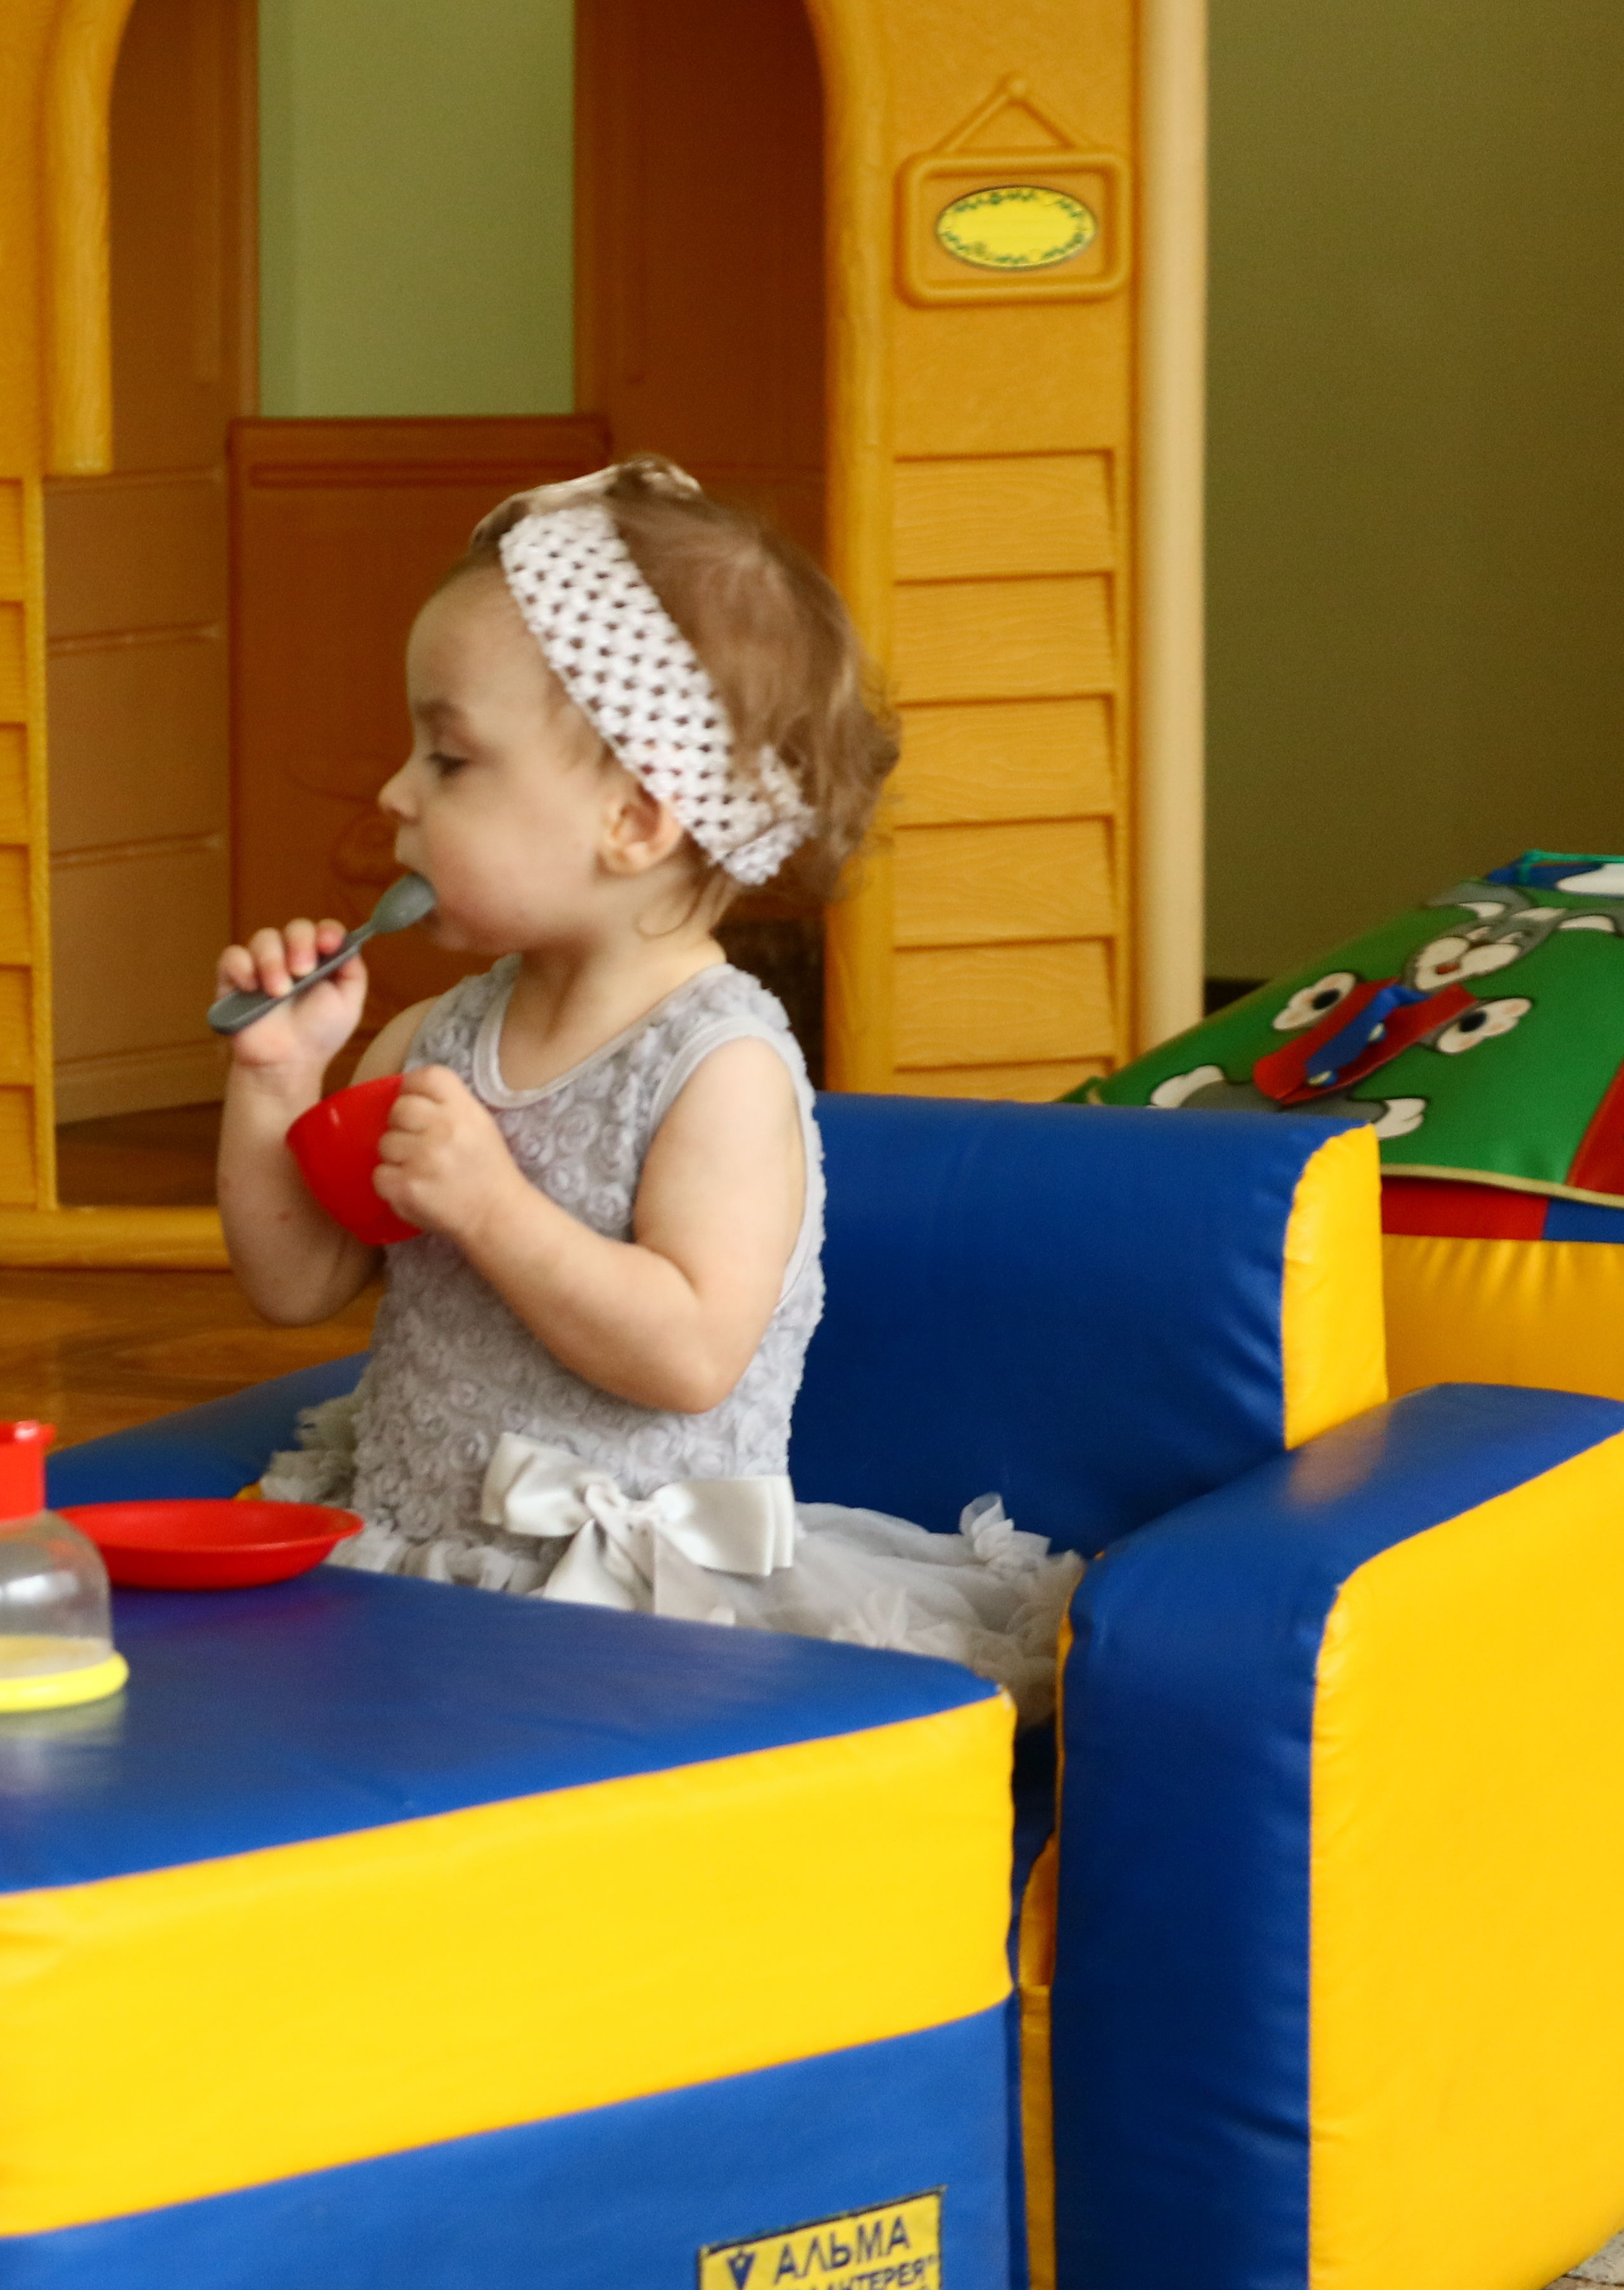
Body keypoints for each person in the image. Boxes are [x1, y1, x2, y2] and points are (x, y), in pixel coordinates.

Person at [212, 456, 1080, 1712]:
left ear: (634, 817)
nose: (395, 791)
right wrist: (276, 1080)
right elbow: (294, 1284)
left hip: (629, 1609)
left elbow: (689, 1354)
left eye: (449, 758)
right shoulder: (437, 1034)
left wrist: (494, 1209)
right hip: (409, 1561)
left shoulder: (718, 1067)